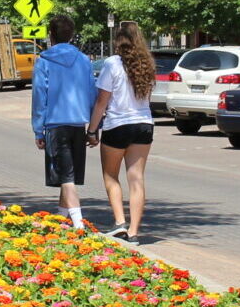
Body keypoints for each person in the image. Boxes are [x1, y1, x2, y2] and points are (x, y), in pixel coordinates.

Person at [87, 20, 155, 243]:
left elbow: (101, 102)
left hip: (117, 125)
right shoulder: (147, 63)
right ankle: (134, 232)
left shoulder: (112, 64)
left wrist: (92, 130)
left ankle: (119, 222)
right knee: (136, 178)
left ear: (118, 41)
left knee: (110, 175)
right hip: (144, 124)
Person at [30, 13, 98, 230]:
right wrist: (94, 129)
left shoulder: (44, 61)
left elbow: (40, 96)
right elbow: (91, 93)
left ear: (51, 35)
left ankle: (79, 224)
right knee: (67, 173)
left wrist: (38, 130)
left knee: (66, 176)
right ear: (72, 35)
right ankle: (61, 219)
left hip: (55, 123)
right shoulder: (84, 60)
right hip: (79, 123)